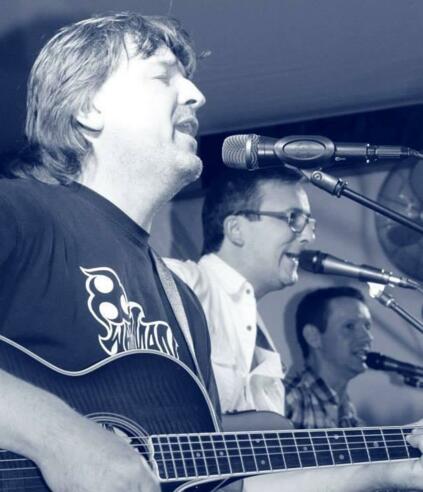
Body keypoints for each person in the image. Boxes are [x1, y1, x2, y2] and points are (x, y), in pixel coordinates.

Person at [0, 11, 422, 492]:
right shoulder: (21, 211)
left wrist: (388, 470)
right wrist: (62, 439)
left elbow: (216, 483)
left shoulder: (182, 303)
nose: (196, 94)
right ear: (88, 109)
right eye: (163, 76)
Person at [166, 169, 313, 426]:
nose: (309, 236)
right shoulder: (178, 282)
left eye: (309, 223)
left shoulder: (258, 329)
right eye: (293, 218)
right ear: (236, 229)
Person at [285, 286, 372, 429]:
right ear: (313, 337)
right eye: (349, 326)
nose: (368, 337)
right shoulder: (283, 402)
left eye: (367, 326)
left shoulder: (355, 423)